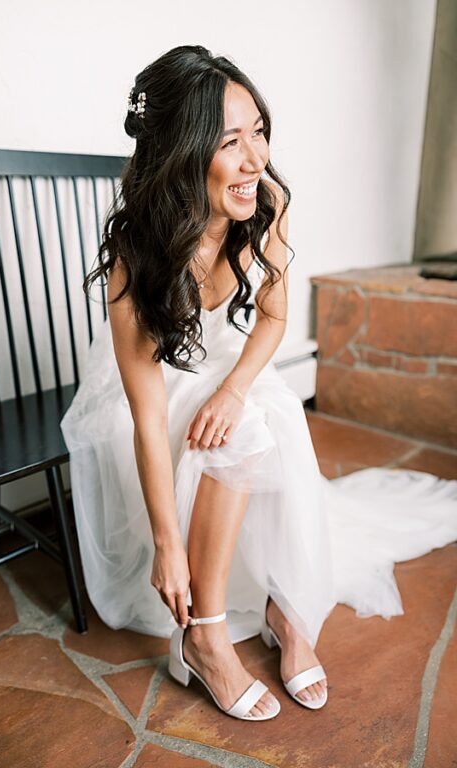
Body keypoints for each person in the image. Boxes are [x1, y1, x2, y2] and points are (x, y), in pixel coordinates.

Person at [60, 45, 457, 721]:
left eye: (259, 133)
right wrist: (165, 545)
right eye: (231, 142)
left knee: (264, 407)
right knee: (247, 426)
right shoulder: (138, 255)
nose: (256, 159)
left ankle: (285, 605)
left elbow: (271, 325)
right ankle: (206, 636)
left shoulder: (266, 206)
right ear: (183, 156)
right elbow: (148, 414)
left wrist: (235, 386)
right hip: (149, 399)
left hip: (226, 375)